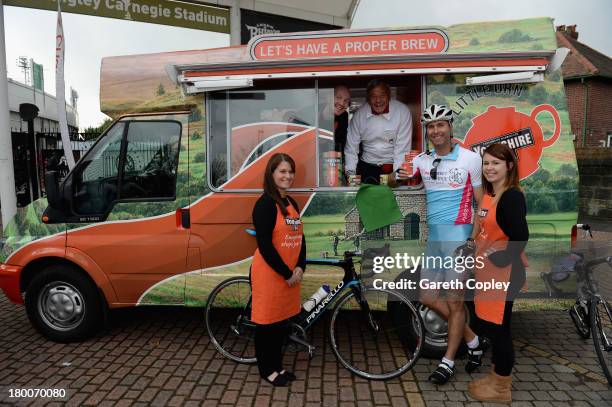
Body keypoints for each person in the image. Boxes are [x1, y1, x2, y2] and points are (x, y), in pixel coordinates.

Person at [396, 104, 486, 385]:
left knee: (455, 301)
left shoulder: (470, 159)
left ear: (450, 127)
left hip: (459, 238)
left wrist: (472, 241)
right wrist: (394, 176)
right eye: (430, 126)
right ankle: (473, 341)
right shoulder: (423, 161)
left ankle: (447, 362)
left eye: (440, 125)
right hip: (435, 238)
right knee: (426, 297)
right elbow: (400, 183)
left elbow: (482, 203)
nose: (436, 131)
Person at [467, 143, 528, 404]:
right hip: (488, 273)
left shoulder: (511, 196)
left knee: (500, 330)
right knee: (490, 327)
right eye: (486, 163)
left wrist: (502, 258)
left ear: (509, 167)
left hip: (505, 274)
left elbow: (520, 236)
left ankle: (502, 389)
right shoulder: (490, 194)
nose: (489, 168)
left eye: (496, 163)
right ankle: (495, 376)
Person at [251, 153, 306, 387]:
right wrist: (286, 273)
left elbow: (301, 239)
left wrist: (301, 266)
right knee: (267, 326)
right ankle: (267, 370)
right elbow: (264, 246)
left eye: (290, 171)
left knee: (281, 323)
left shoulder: (292, 203)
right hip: (271, 275)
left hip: (290, 275)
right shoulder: (264, 204)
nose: (288, 176)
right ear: (272, 174)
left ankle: (278, 365)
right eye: (282, 171)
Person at [344, 79, 412, 184]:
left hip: (391, 167)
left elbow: (402, 148)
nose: (378, 100)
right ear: (368, 98)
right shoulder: (359, 115)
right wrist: (351, 175)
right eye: (373, 96)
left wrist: (397, 175)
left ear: (389, 96)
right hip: (367, 167)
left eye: (382, 95)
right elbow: (351, 149)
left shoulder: (402, 112)